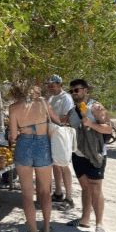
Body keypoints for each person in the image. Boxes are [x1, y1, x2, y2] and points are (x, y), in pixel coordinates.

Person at [8, 80, 62, 232]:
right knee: (45, 192)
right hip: (43, 145)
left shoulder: (13, 108)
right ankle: (46, 228)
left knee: (27, 194)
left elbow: (14, 136)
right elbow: (58, 121)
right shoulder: (44, 103)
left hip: (23, 145)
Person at [65, 79, 112, 232]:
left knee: (96, 189)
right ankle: (85, 219)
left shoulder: (96, 107)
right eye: (71, 91)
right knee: (85, 188)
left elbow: (108, 129)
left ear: (85, 91)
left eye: (76, 90)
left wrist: (91, 124)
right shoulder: (72, 112)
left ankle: (99, 224)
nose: (73, 94)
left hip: (95, 155)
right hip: (77, 155)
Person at [46, 75, 76, 209]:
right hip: (53, 133)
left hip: (62, 134)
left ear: (59, 84)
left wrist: (53, 122)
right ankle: (58, 193)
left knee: (63, 165)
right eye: (49, 86)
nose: (50, 88)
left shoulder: (66, 98)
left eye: (52, 85)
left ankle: (69, 198)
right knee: (55, 164)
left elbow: (66, 118)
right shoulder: (52, 98)